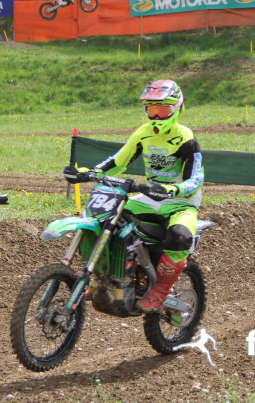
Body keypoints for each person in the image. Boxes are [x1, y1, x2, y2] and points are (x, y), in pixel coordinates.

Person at [64, 79, 204, 313]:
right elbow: (118, 161)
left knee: (179, 237)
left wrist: (173, 189)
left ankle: (160, 290)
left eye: (162, 110)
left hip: (182, 200)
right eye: (151, 109)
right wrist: (89, 172)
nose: (156, 116)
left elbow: (196, 178)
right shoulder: (143, 133)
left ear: (177, 109)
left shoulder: (185, 137)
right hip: (150, 195)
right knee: (107, 218)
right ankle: (100, 277)